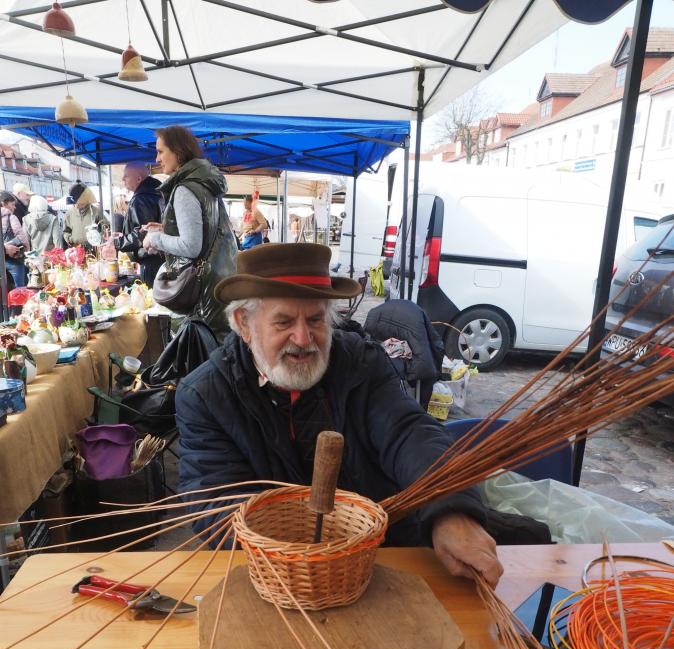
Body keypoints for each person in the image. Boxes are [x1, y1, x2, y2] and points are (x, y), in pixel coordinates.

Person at [176, 244, 551, 587]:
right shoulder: (205, 396)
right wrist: (309, 543)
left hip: (379, 559)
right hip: (274, 574)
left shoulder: (360, 362)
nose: (303, 339)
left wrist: (448, 508)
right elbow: (215, 502)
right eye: (284, 322)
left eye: (316, 320)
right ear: (244, 323)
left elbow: (409, 433)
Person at [142, 125, 237, 340]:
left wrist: (155, 238)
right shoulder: (205, 184)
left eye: (160, 151)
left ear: (178, 151)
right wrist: (166, 230)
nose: (157, 158)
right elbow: (207, 231)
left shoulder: (185, 189)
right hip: (219, 279)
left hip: (203, 290)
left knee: (203, 350)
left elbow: (191, 246)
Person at [114, 161, 164, 285]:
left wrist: (117, 242)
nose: (123, 179)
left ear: (138, 179)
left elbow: (143, 233)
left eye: (126, 176)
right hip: (161, 258)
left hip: (150, 261)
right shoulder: (157, 193)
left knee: (150, 294)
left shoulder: (141, 199)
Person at [63, 182, 109, 251]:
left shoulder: (96, 212)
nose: (77, 204)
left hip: (94, 250)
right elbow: (66, 231)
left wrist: (98, 238)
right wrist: (70, 239)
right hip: (75, 249)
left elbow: (106, 228)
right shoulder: (69, 214)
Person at [1, 191, 30, 288]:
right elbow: (23, 239)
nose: (15, 207)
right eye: (12, 204)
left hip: (2, 261)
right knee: (19, 290)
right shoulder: (11, 217)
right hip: (14, 261)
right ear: (4, 204)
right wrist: (26, 250)